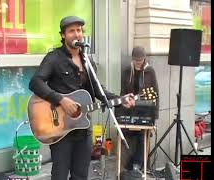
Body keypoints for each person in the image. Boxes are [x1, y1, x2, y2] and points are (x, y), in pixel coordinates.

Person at [29, 15, 135, 180]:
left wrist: (121, 100)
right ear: (63, 35)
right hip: (61, 130)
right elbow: (35, 82)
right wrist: (61, 100)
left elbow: (99, 91)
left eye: (79, 30)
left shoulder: (87, 61)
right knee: (60, 175)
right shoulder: (54, 58)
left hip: (83, 129)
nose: (77, 34)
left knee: (80, 176)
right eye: (71, 31)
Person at [120, 46, 159, 171]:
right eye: (136, 60)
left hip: (145, 110)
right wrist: (122, 104)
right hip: (129, 110)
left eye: (141, 60)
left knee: (142, 137)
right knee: (128, 136)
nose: (138, 62)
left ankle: (138, 166)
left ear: (144, 59)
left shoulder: (150, 71)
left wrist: (155, 116)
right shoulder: (127, 71)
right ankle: (126, 167)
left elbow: (155, 94)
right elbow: (123, 91)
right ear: (132, 59)